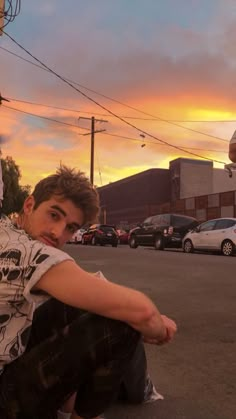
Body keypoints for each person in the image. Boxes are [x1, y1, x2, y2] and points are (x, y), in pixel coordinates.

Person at [0, 165, 177, 419]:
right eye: (54, 214)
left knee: (82, 303)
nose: (58, 233)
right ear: (29, 205)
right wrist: (158, 327)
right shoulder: (29, 254)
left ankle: (64, 411)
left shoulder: (7, 231)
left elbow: (89, 287)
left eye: (71, 227)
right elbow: (144, 312)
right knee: (121, 326)